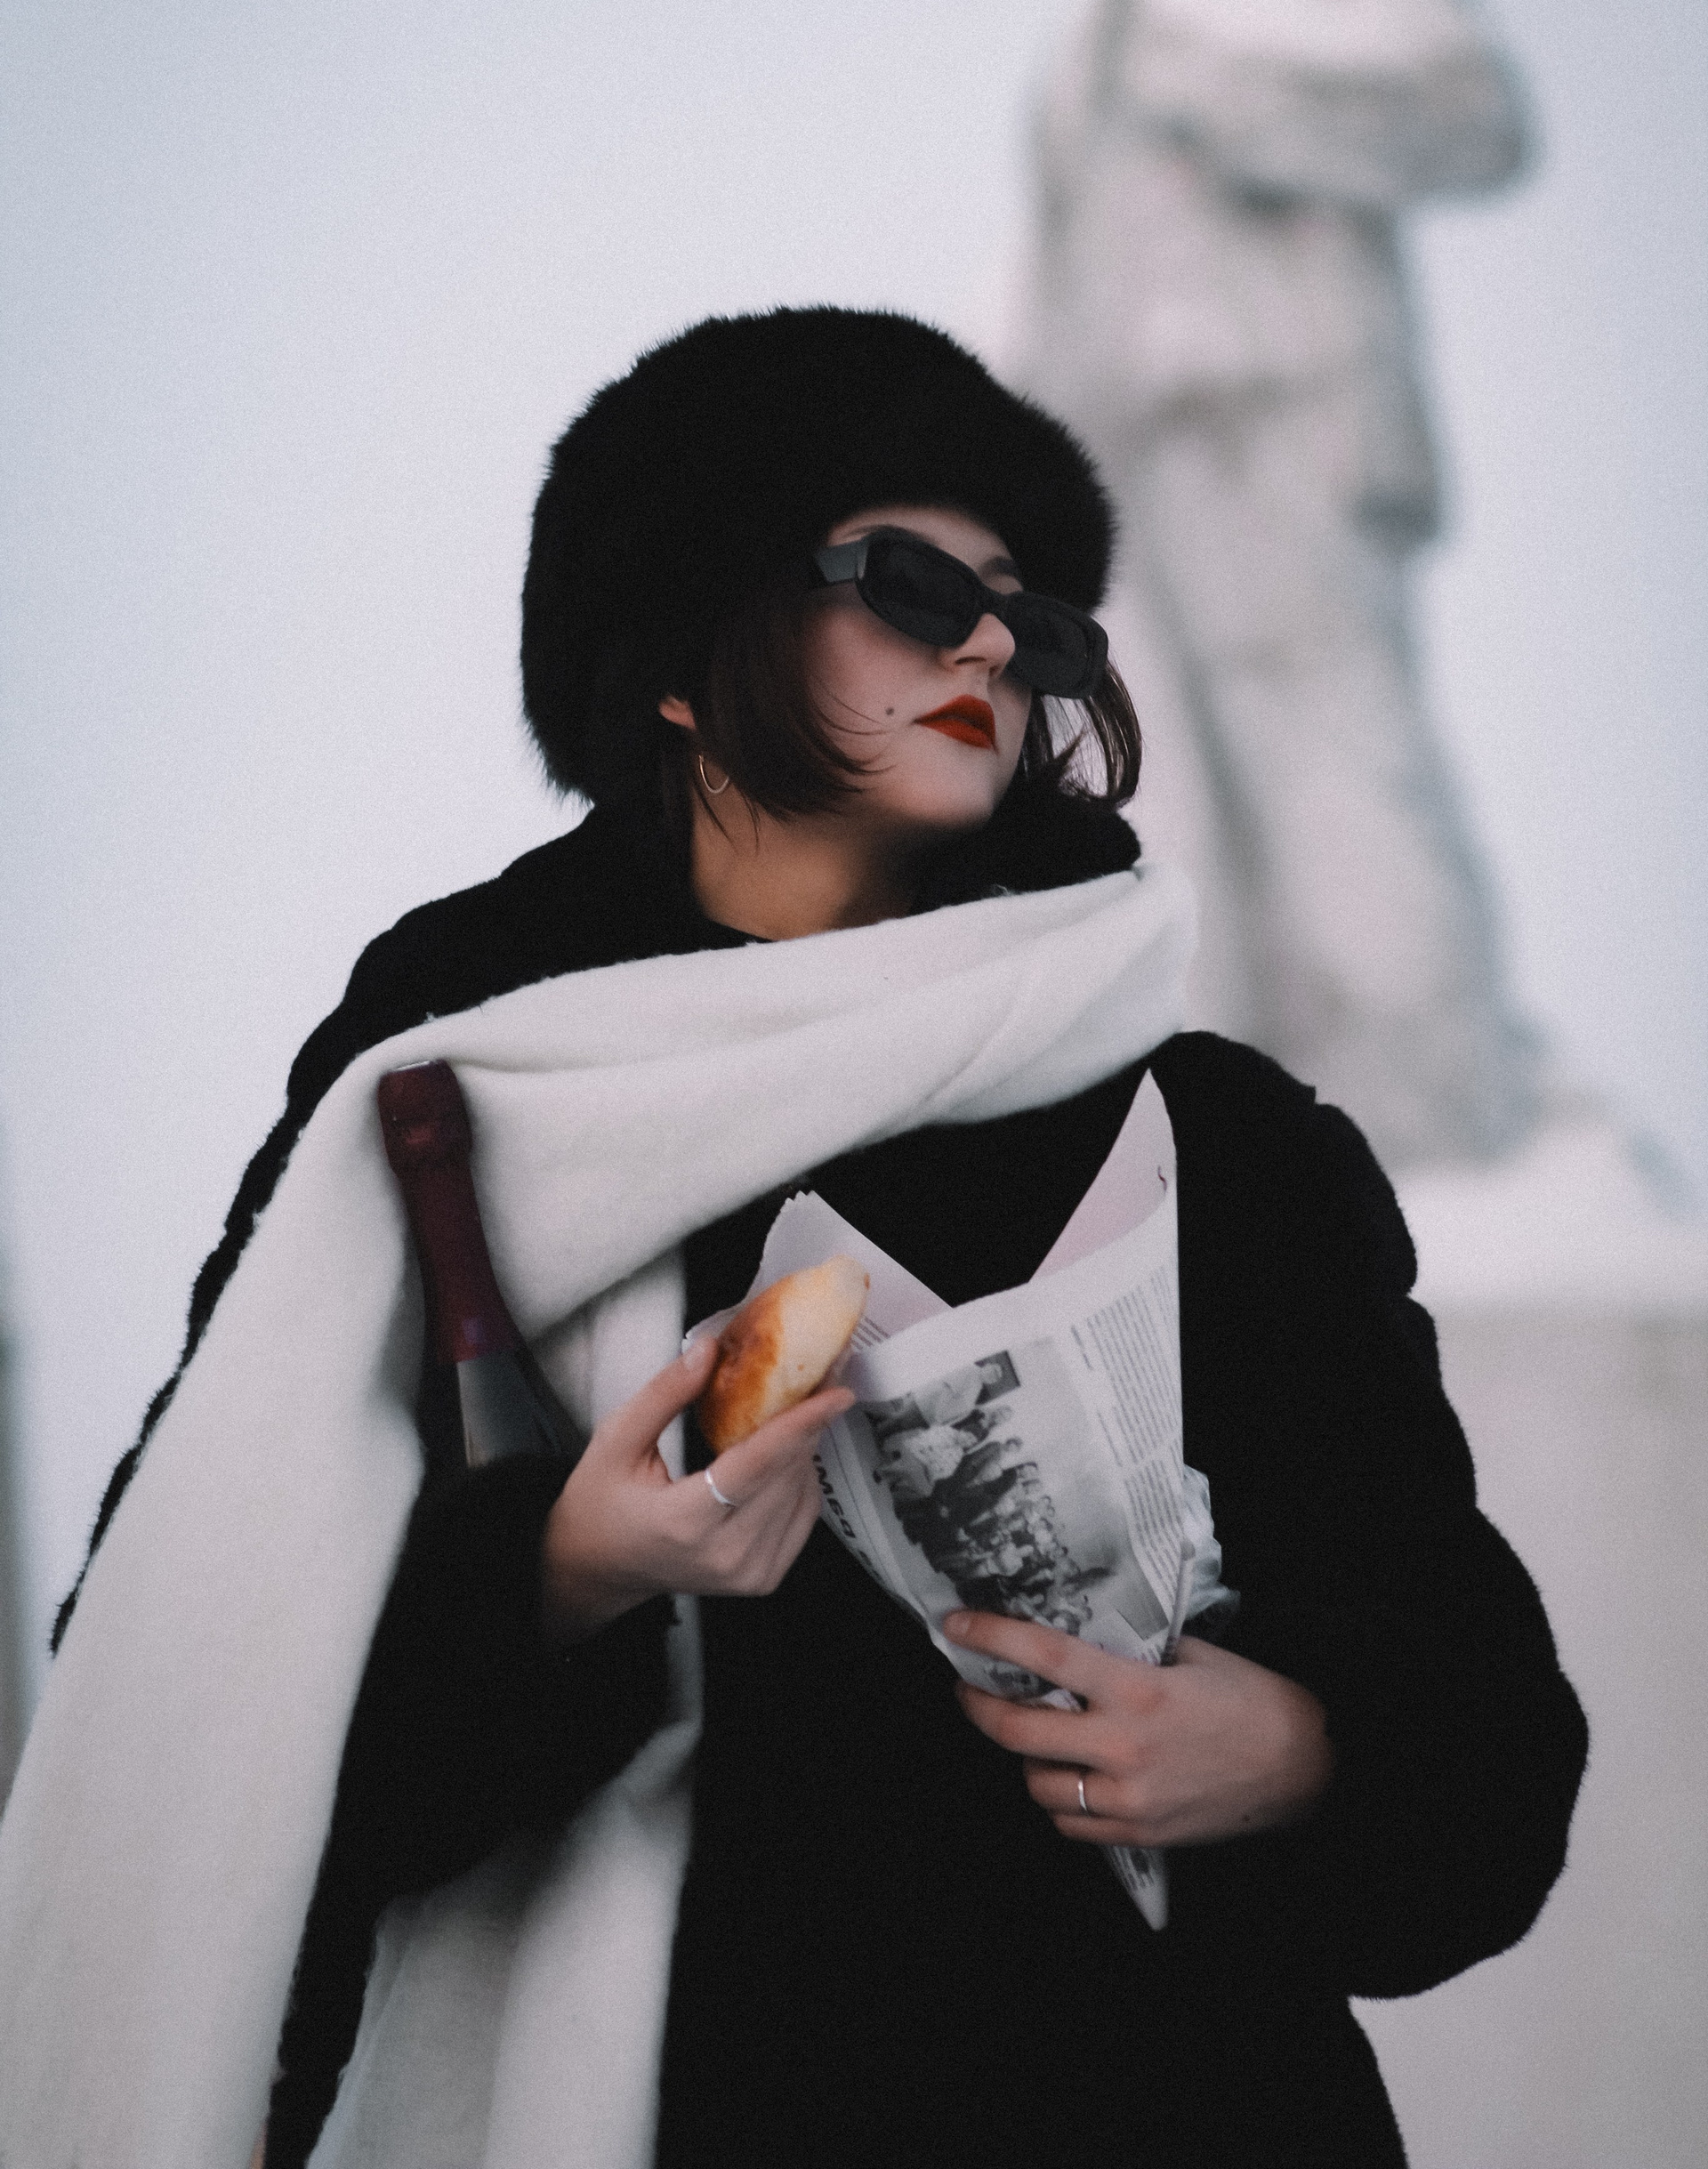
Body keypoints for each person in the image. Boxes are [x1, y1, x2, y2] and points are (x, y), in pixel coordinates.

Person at [0, 310, 1584, 2169]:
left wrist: (1302, 1751)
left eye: (1031, 618)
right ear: (685, 648)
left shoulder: (1219, 1138)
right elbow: (182, 1729)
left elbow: (1489, 1745)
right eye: (914, 586)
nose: (988, 645)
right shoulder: (451, 1107)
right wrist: (557, 1579)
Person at [1018, 0, 1540, 1166]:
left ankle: (1435, 1144)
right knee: (1161, 813)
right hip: (1127, 457)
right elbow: (1067, 249)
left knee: (1329, 766)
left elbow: (1464, 102)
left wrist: (1224, 82)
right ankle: (1247, 1155)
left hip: (1273, 409)